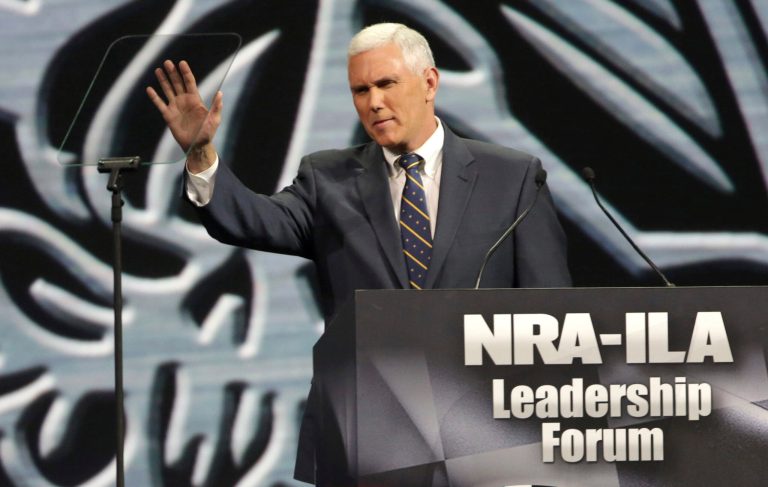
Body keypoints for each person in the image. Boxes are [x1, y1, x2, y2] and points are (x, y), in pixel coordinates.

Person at [148, 22, 570, 484]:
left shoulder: (510, 178)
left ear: (429, 82)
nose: (373, 102)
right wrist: (202, 155)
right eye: (360, 90)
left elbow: (550, 314)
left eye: (386, 84)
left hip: (484, 435)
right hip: (369, 433)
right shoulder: (328, 179)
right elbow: (250, 220)